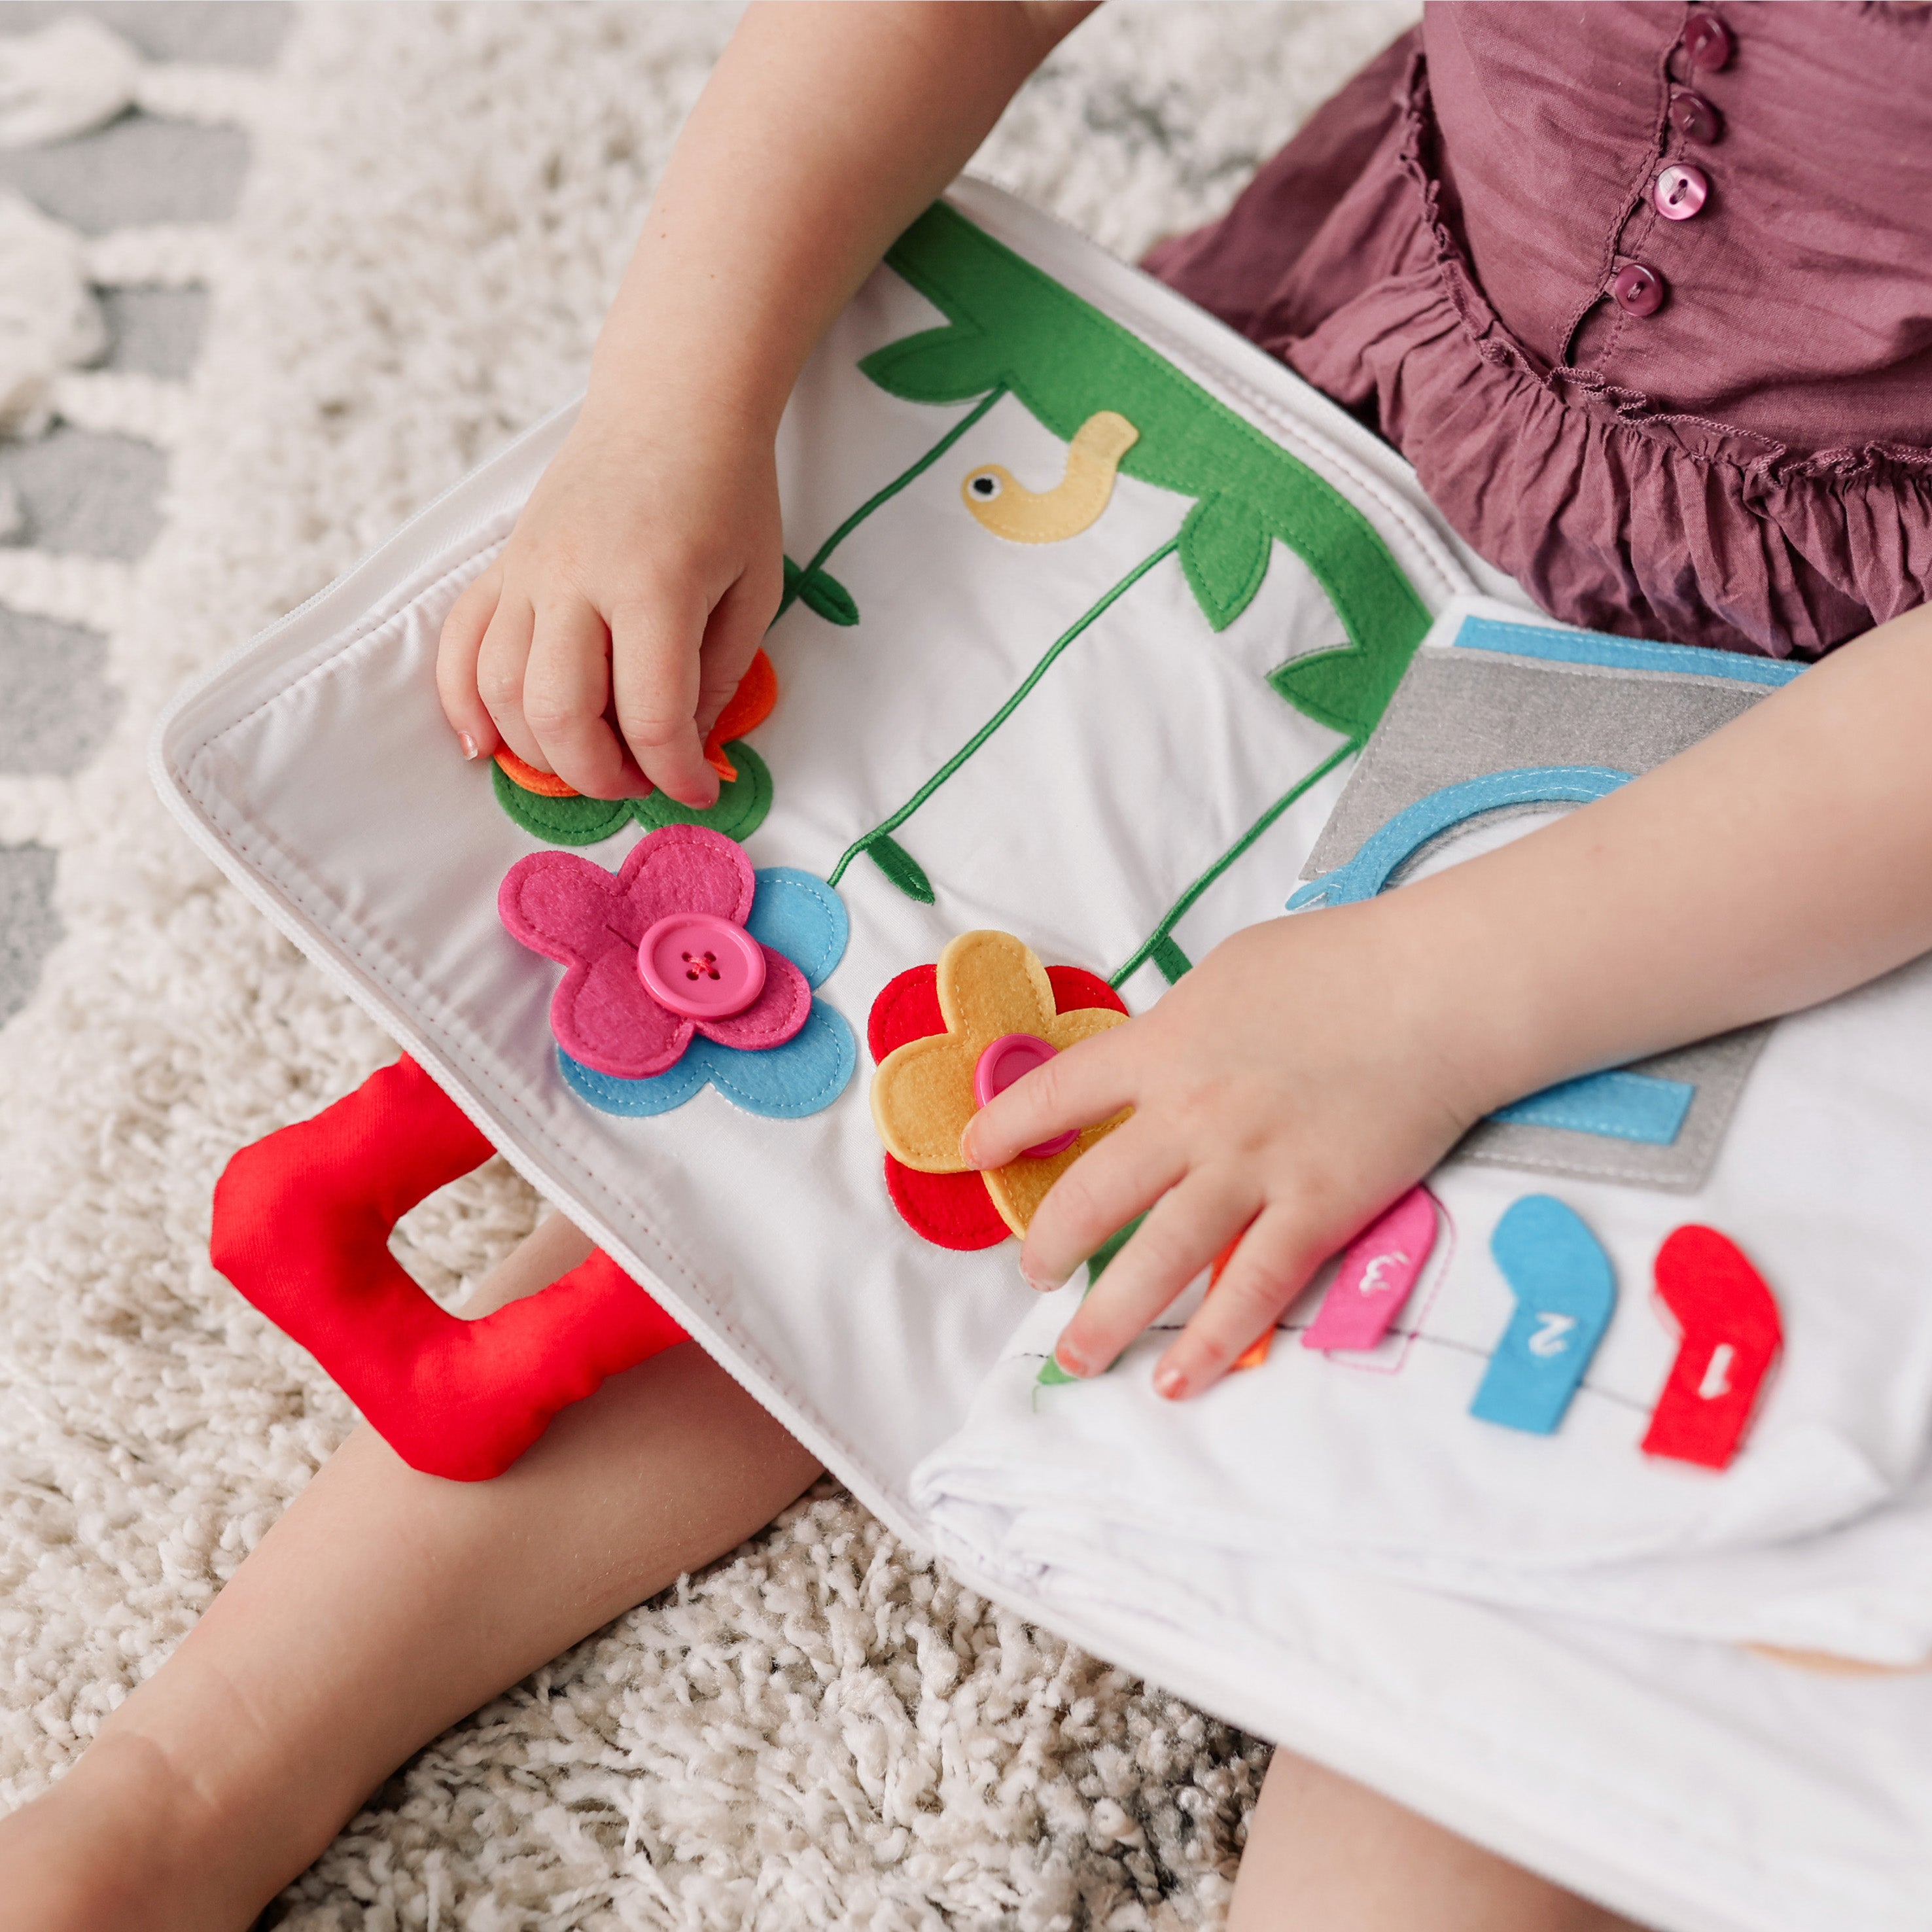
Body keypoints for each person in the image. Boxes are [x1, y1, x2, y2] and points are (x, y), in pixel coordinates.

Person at [6, 4, 1929, 1925]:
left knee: (1532, 1626)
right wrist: (675, 408)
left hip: (1829, 812)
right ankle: (186, 1781)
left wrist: (1424, 1002)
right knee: (834, 1126)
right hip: (1365, 459)